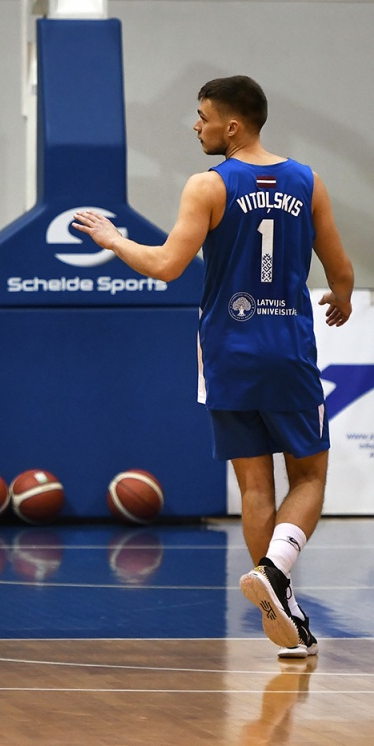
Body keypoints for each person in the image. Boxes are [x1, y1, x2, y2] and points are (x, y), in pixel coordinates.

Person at [73, 75, 353, 660]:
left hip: (227, 351)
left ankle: (279, 596)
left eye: (202, 116)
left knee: (255, 486)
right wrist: (343, 300)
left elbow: (166, 266)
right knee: (309, 478)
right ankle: (276, 575)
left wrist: (114, 240)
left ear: (233, 125)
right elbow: (340, 270)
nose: (195, 126)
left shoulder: (208, 186)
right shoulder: (309, 181)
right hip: (288, 348)